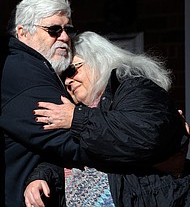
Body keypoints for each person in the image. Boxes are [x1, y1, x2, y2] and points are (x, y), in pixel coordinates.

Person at [24, 31, 190, 207]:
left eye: (71, 70)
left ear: (98, 60)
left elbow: (144, 135)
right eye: (62, 77)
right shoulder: (81, 112)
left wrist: (77, 119)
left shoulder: (134, 87)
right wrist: (41, 177)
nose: (67, 81)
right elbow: (69, 154)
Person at [0, 0, 93, 207]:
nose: (64, 37)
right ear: (22, 32)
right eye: (53, 30)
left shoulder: (39, 69)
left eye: (68, 30)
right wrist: (134, 141)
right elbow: (73, 143)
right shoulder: (24, 74)